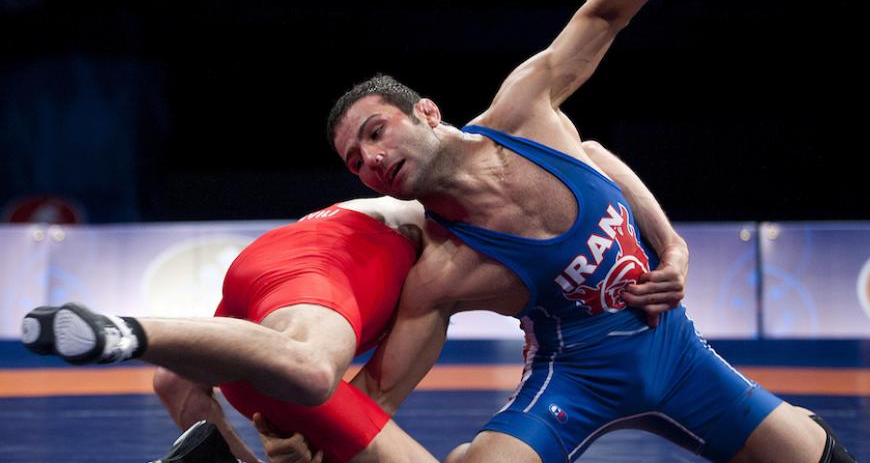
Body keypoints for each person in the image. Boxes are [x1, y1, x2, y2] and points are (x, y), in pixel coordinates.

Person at [321, 0, 855, 461]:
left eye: (375, 132)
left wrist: (673, 247)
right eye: (354, 162)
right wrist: (306, 431)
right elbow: (379, 394)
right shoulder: (443, 272)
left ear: (427, 112)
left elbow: (608, 13)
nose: (370, 159)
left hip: (678, 355)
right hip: (572, 384)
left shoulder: (526, 112)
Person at [21, 139, 685, 463]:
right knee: (311, 371)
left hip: (272, 272)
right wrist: (671, 249)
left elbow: (590, 155)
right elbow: (591, 152)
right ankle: (122, 330)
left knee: (225, 374)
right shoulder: (461, 213)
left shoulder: (454, 258)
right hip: (323, 270)